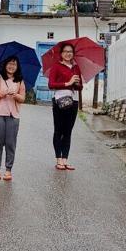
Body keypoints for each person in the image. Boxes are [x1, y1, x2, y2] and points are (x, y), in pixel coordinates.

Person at [0, 55, 26, 181]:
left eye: (14, 64)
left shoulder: (20, 80)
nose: (11, 66)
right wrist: (3, 93)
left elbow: (23, 98)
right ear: (5, 65)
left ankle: (8, 170)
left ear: (17, 66)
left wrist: (15, 95)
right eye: (9, 63)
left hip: (13, 116)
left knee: (11, 144)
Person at [48, 42, 82, 171]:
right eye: (66, 51)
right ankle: (58, 159)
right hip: (60, 101)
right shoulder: (56, 66)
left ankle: (65, 159)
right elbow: (51, 84)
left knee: (68, 131)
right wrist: (68, 82)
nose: (68, 53)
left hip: (73, 101)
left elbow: (80, 87)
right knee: (59, 130)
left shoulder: (76, 67)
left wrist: (77, 84)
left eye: (71, 52)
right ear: (61, 54)